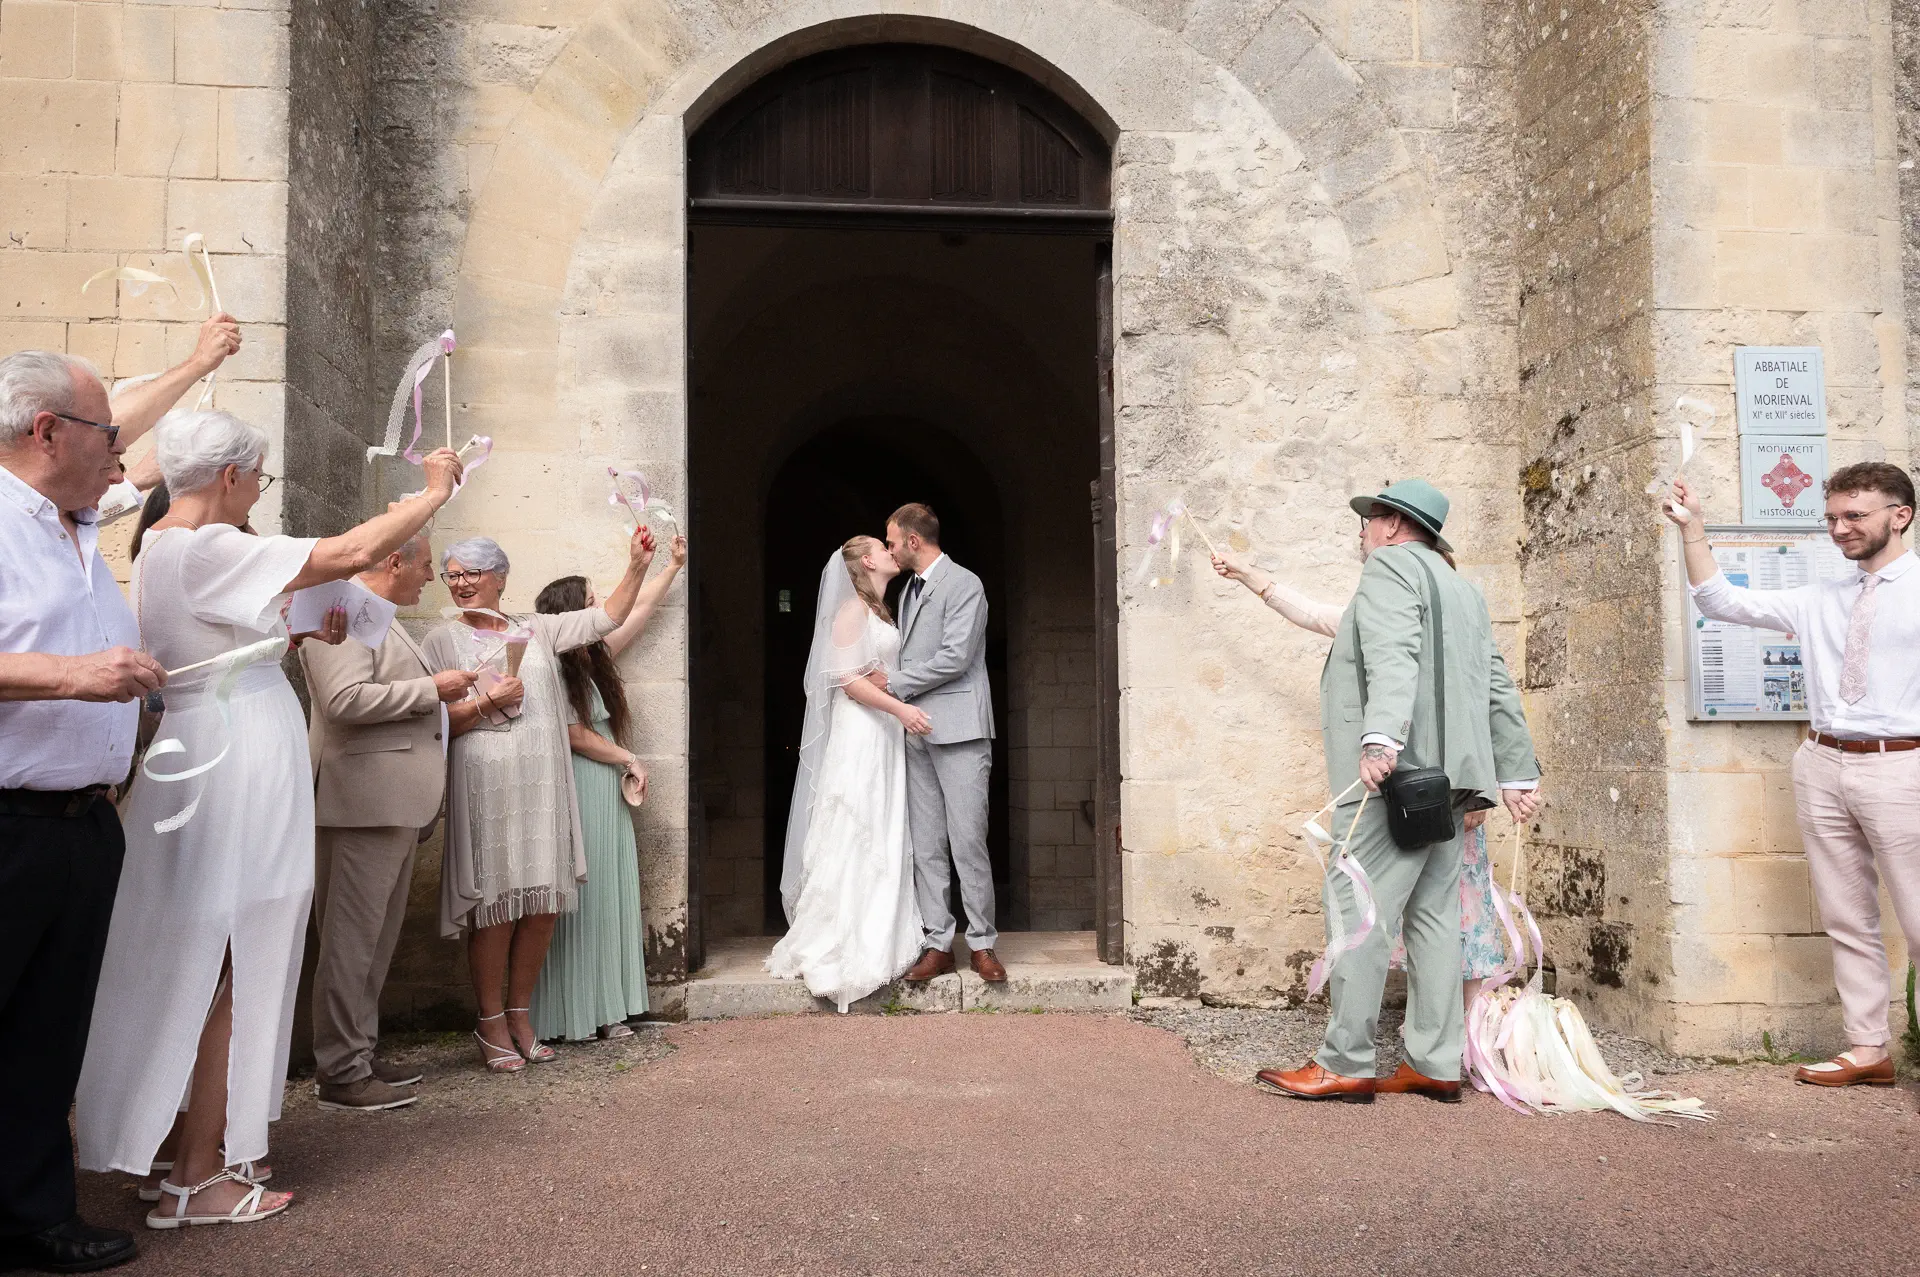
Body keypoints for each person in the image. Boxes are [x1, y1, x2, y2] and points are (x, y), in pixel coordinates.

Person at [75, 409, 464, 1229]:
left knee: (198, 948)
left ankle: (175, 1148)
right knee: (237, 955)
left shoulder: (163, 549)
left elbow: (217, 643)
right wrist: (433, 493)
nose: (259, 489)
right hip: (236, 754)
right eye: (258, 476)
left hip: (206, 745)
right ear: (230, 476)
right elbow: (351, 554)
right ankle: (198, 1175)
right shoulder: (207, 543)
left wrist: (292, 630)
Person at [1255, 479, 1541, 1104]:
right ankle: (1435, 1063)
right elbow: (1496, 682)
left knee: (1356, 904)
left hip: (1397, 780)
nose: (1361, 532)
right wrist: (1517, 773)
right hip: (1454, 783)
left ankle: (1345, 1062)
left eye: (1367, 521)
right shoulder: (1464, 590)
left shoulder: (1387, 568)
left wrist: (1380, 739)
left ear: (1390, 525)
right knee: (1434, 916)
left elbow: (1394, 654)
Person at [0, 350, 172, 1274]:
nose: (120, 452)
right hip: (9, 823)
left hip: (84, 824)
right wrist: (75, 675)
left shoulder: (76, 523)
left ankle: (32, 1215)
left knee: (47, 1033)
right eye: (107, 433)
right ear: (47, 431)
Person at [1667, 464, 1918, 1087]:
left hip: (1903, 764)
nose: (1839, 528)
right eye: (1831, 518)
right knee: (1846, 915)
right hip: (1822, 762)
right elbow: (1719, 600)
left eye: (1854, 515)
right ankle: (1868, 1049)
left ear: (1901, 515)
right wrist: (1693, 529)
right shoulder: (1819, 598)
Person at [1212, 550, 1509, 1009]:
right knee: (1420, 913)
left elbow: (1488, 711)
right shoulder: (1378, 622)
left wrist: (1480, 797)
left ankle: (1469, 1029)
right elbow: (1311, 612)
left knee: (1462, 911)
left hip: (1454, 796)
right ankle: (1433, 1028)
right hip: (1407, 795)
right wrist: (1248, 575)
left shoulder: (1465, 641)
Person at [423, 528, 660, 1072]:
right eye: (452, 575)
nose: (461, 584)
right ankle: (490, 1022)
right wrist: (486, 704)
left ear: (500, 578)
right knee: (494, 907)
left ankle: (520, 1015)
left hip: (543, 784)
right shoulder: (440, 640)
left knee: (543, 905)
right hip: (485, 784)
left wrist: (638, 565)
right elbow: (433, 722)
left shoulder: (539, 628)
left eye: (472, 573)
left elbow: (608, 618)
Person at [300, 532, 482, 1110]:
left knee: (375, 944)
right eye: (425, 565)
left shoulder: (377, 613)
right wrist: (433, 689)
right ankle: (340, 1072)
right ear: (394, 561)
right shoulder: (341, 609)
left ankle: (359, 1050)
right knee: (349, 943)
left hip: (392, 802)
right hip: (361, 803)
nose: (430, 577)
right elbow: (342, 699)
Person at [529, 531, 687, 1041]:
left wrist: (672, 566)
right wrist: (628, 758)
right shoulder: (552, 665)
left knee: (611, 893)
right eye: (592, 601)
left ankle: (610, 1009)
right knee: (587, 896)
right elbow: (575, 734)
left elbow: (637, 610)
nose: (600, 607)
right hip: (582, 784)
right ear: (569, 613)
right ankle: (574, 1014)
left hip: (606, 789)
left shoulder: (593, 657)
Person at [767, 536, 932, 1011]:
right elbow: (847, 681)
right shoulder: (851, 610)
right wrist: (901, 710)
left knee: (883, 823)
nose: (890, 550)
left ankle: (882, 925)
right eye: (882, 546)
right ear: (866, 561)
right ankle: (842, 938)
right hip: (862, 730)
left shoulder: (881, 610)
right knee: (857, 820)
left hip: (884, 732)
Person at [885, 504, 1006, 984]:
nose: (891, 550)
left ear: (914, 540)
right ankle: (938, 943)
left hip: (960, 730)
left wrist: (894, 684)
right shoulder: (907, 591)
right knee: (926, 843)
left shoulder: (964, 584)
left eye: (893, 542)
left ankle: (982, 943)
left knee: (968, 840)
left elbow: (956, 657)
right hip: (917, 732)